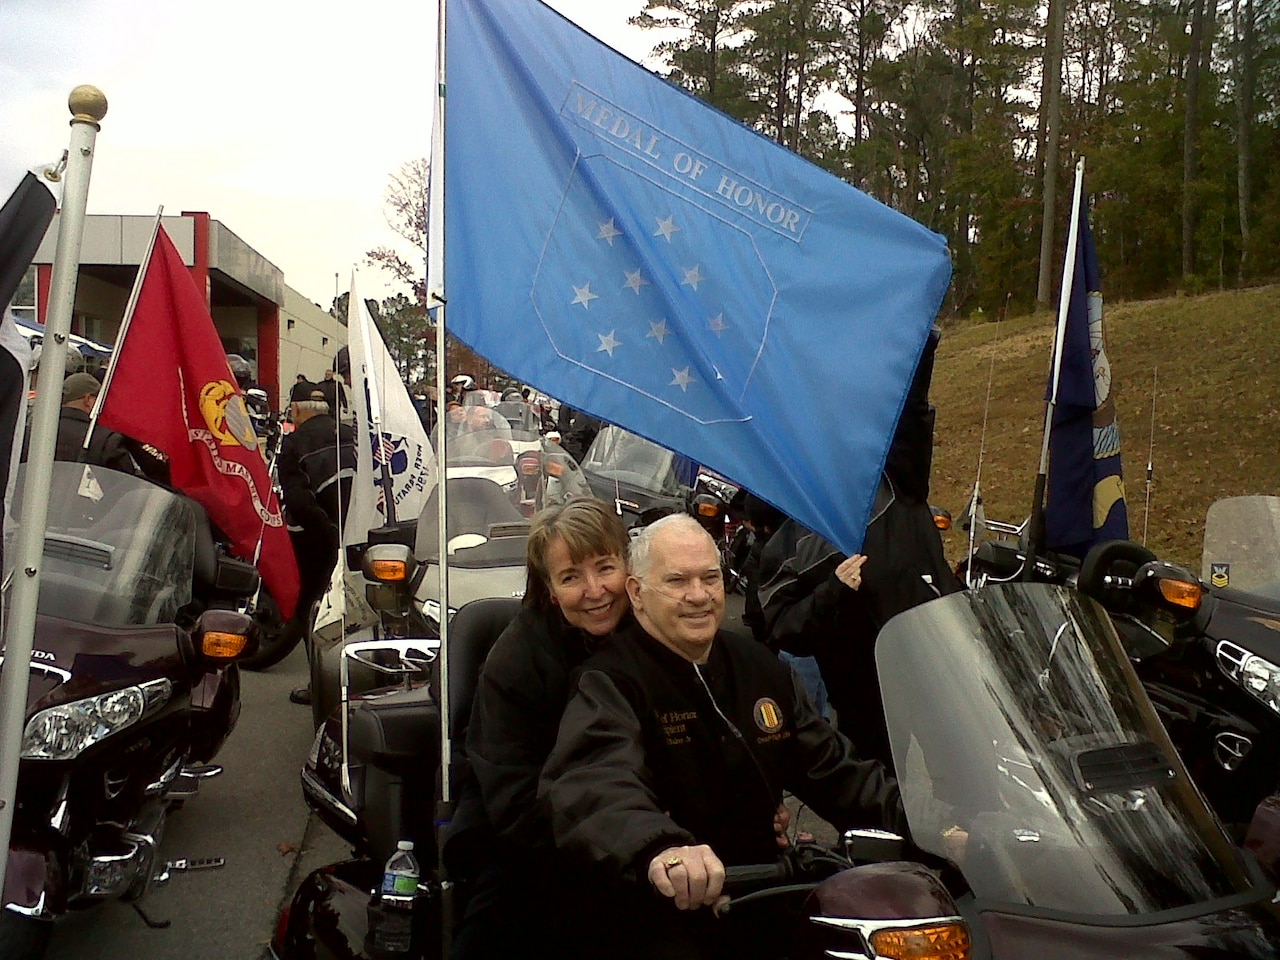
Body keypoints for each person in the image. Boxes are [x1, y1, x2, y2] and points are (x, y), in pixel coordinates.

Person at [540, 514, 906, 960]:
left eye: (709, 578)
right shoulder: (610, 681)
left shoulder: (760, 666)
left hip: (768, 896)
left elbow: (836, 770)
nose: (698, 596)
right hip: (662, 911)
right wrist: (661, 848)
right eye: (677, 581)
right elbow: (596, 783)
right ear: (637, 593)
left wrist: (935, 823)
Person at [755, 326, 958, 769]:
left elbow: (909, 414)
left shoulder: (897, 483)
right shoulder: (788, 541)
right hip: (866, 703)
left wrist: (918, 346)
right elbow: (783, 628)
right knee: (882, 806)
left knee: (974, 794)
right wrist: (833, 590)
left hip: (942, 674)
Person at [447, 498, 633, 959]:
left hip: (634, 823)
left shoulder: (653, 633)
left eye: (605, 567)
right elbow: (514, 800)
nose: (595, 590)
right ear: (550, 590)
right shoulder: (516, 660)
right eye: (571, 577)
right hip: (527, 829)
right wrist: (620, 844)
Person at [278, 380, 355, 706]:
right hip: (356, 530)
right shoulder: (349, 433)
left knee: (312, 608)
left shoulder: (293, 444)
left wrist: (328, 537)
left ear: (297, 410)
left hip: (317, 541)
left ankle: (319, 686)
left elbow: (299, 501)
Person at [21, 371, 138, 473]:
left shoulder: (31, 432)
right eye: (100, 399)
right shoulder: (106, 440)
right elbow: (125, 486)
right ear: (88, 400)